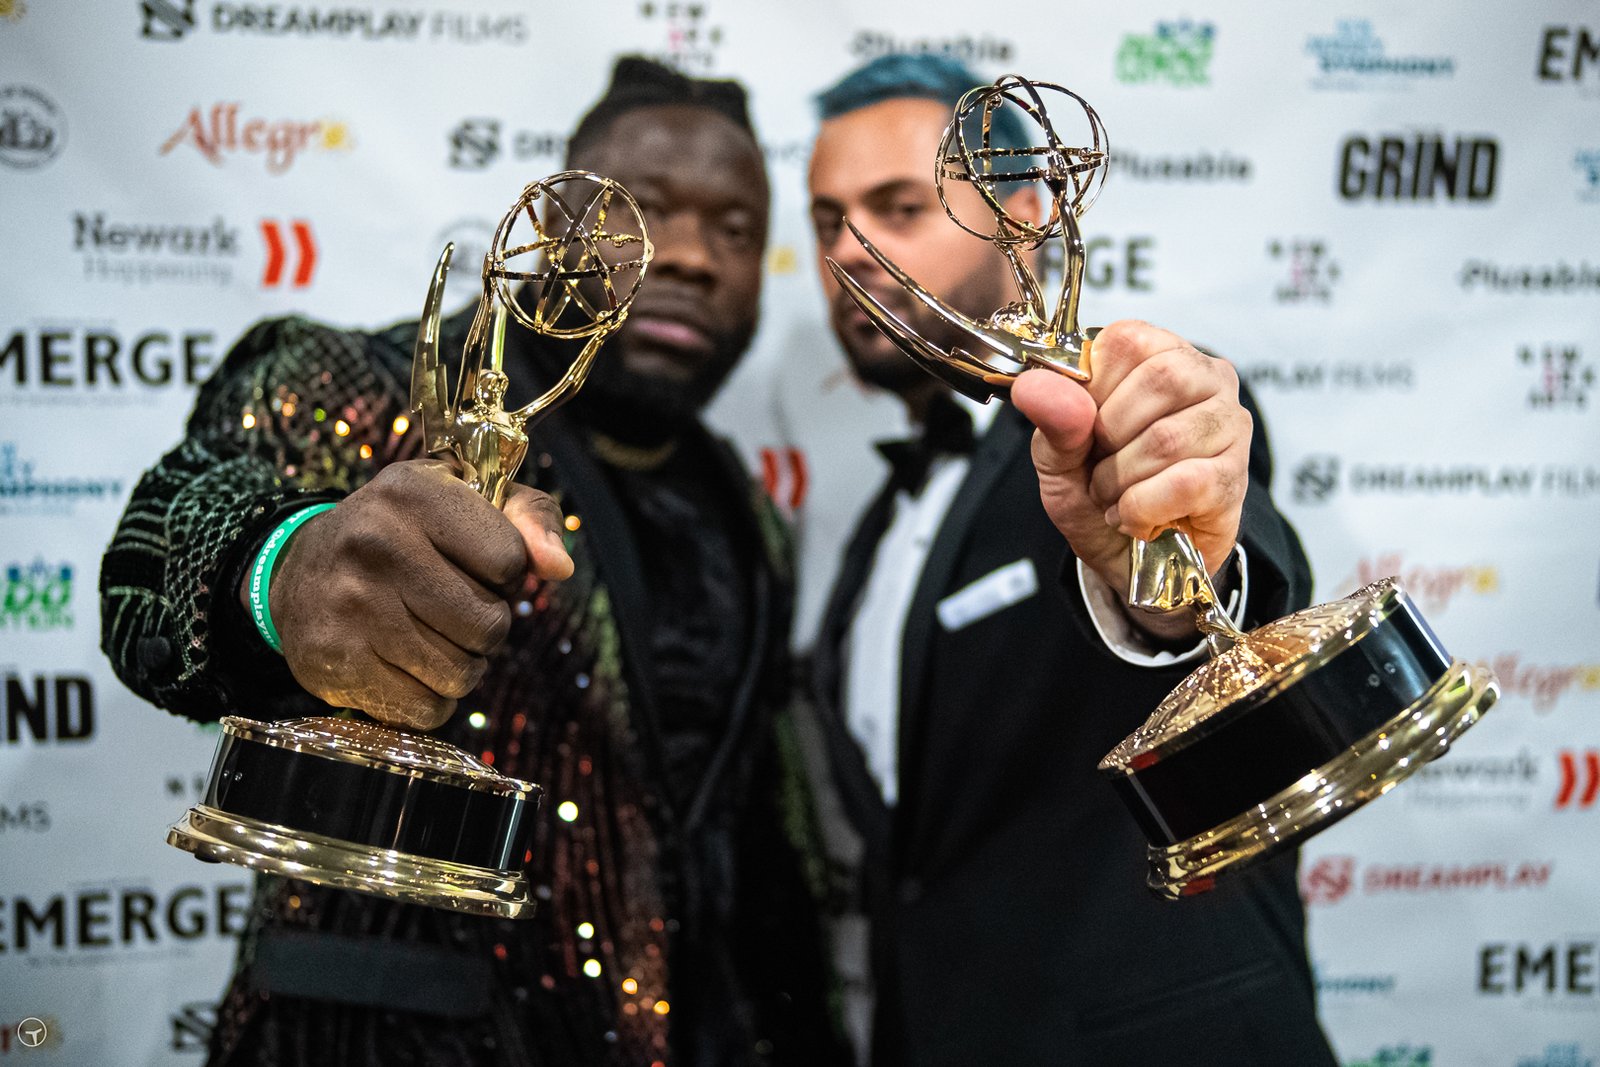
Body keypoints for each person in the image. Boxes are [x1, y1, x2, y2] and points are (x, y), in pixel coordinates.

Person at [101, 57, 842, 1067]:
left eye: (738, 230)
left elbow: (752, 827)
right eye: (643, 212)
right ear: (548, 223)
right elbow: (157, 554)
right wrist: (281, 570)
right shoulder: (378, 391)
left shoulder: (744, 510)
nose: (693, 258)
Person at [804, 54, 1337, 1066]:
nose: (850, 250)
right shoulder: (876, 529)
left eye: (898, 207)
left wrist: (1173, 573)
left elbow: (1219, 587)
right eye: (828, 220)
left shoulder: (1122, 425)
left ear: (1027, 216)